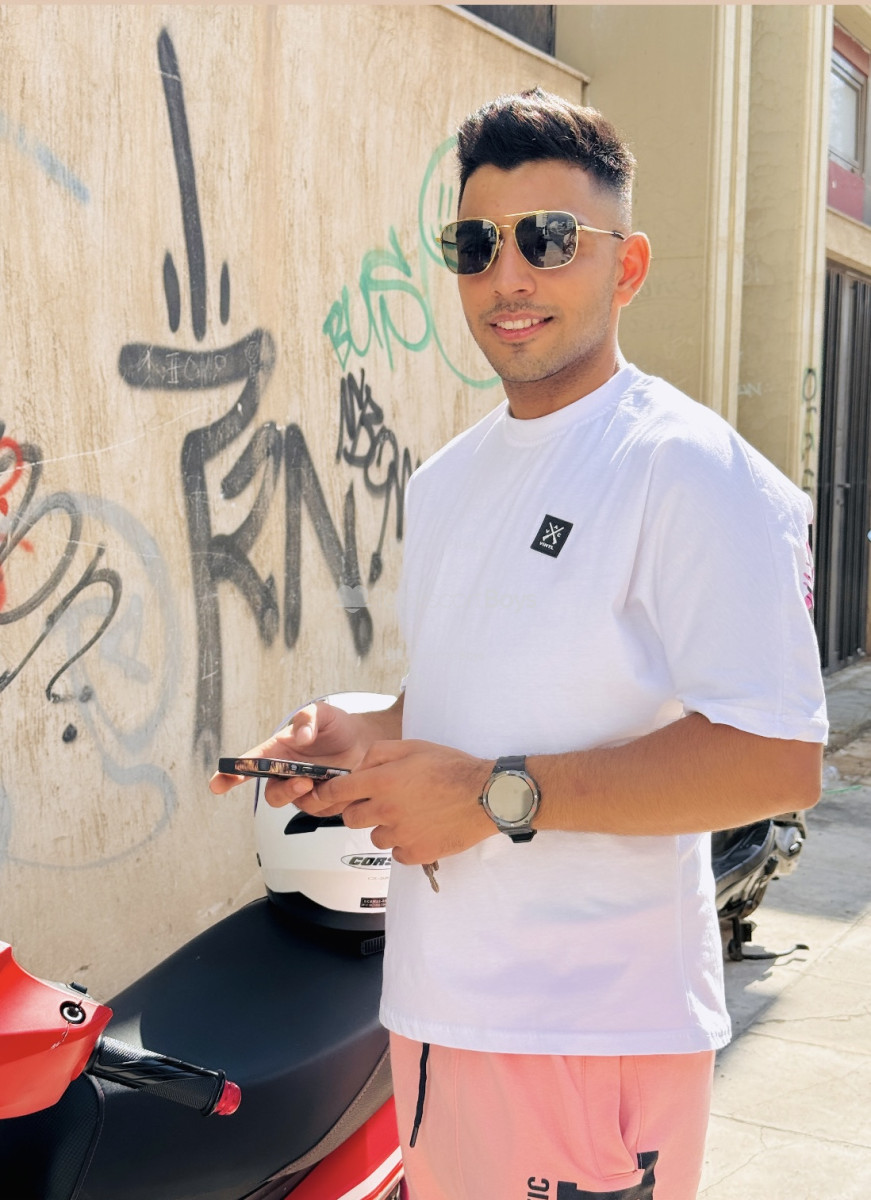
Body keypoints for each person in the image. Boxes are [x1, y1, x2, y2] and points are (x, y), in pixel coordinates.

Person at [212, 89, 827, 1199]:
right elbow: (493, 691)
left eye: (547, 239)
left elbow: (775, 759)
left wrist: (492, 796)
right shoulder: (448, 481)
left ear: (626, 266)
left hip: (590, 1037)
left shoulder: (686, 468)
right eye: (475, 244)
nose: (507, 276)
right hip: (434, 1016)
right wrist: (365, 732)